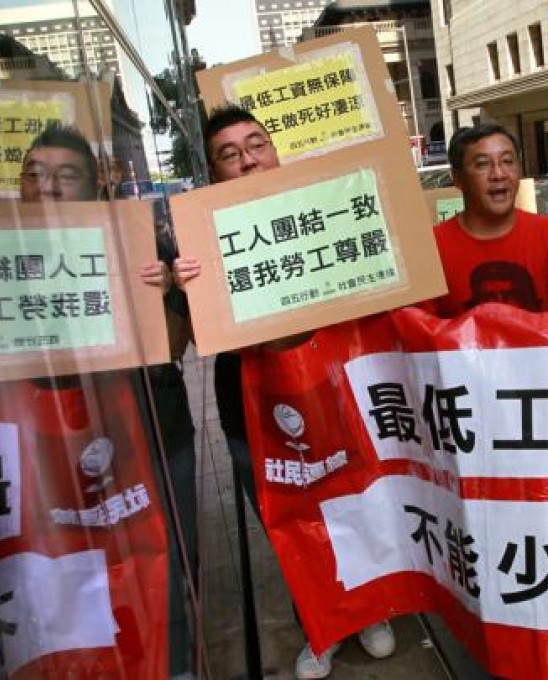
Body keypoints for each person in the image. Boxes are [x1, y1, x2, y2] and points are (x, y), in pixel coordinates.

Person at [173, 104, 396, 680]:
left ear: (275, 151)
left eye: (257, 144)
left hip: (333, 389)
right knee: (290, 520)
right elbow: (194, 337)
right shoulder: (199, 239)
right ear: (214, 172)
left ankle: (371, 609)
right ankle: (321, 626)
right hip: (251, 406)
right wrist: (188, 290)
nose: (248, 160)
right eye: (230, 154)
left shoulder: (325, 207)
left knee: (355, 501)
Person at [23, 125, 199, 679]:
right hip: (49, 448)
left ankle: (177, 662)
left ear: (95, 185)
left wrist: (166, 292)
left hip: (153, 433)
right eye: (34, 173)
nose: (47, 186)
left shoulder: (138, 239)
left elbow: (175, 345)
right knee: (69, 567)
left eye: (65, 175)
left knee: (168, 557)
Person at [428, 123, 548, 316]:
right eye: (482, 164)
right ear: (457, 177)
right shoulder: (431, 247)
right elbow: (418, 326)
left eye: (507, 161)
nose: (499, 174)